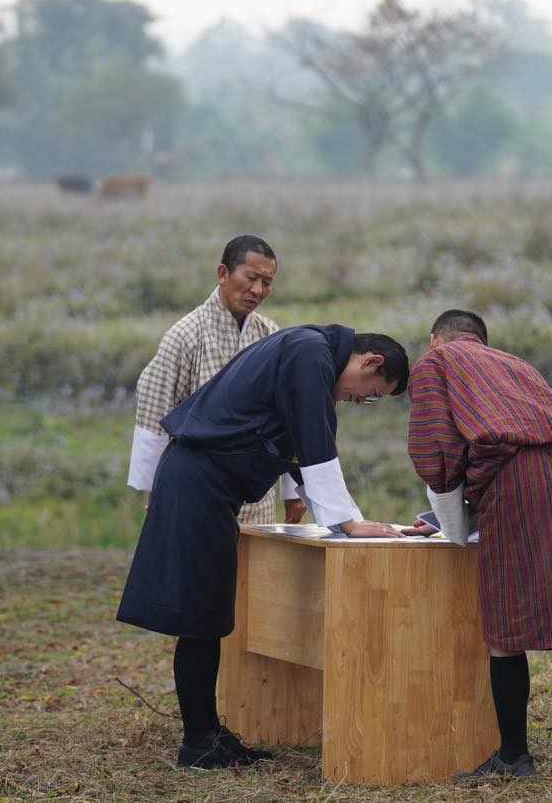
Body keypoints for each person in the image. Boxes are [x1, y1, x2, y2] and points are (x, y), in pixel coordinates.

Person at [115, 324, 410, 770]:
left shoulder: (310, 355)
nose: (360, 401)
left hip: (207, 483)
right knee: (200, 615)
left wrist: (345, 520)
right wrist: (348, 522)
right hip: (199, 480)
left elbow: (302, 446)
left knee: (209, 611)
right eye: (370, 393)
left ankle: (209, 732)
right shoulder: (310, 354)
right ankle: (197, 743)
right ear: (372, 362)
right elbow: (313, 440)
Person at [404, 309, 552, 778]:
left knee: (505, 615)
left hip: (524, 476)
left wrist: (451, 521)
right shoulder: (515, 364)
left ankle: (514, 756)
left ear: (438, 340)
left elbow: (436, 449)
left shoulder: (436, 363)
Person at [127, 234, 306, 526]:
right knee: (201, 570)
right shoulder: (185, 335)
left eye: (267, 282)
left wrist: (293, 492)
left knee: (255, 570)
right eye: (251, 277)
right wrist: (155, 489)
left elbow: (286, 418)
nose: (257, 290)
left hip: (256, 496)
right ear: (223, 274)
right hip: (198, 489)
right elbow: (155, 411)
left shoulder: (270, 334)